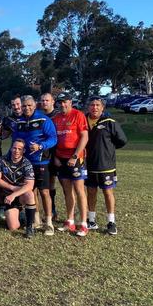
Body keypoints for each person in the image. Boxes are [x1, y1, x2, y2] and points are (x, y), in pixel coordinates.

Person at [13, 95, 58, 235]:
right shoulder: (19, 121)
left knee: (45, 192)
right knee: (31, 192)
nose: (27, 108)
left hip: (41, 162)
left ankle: (49, 222)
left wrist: (40, 146)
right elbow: (15, 140)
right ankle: (36, 219)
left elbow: (53, 139)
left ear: (35, 105)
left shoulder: (44, 119)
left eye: (29, 105)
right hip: (26, 164)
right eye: (24, 106)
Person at [85, 97, 127, 235]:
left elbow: (122, 140)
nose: (94, 107)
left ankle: (111, 222)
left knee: (107, 192)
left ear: (102, 108)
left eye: (97, 105)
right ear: (88, 107)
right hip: (88, 165)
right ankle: (91, 220)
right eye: (92, 105)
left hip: (106, 166)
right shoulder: (83, 120)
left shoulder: (110, 123)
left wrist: (107, 150)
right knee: (91, 192)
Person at [53, 93, 89, 237]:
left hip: (75, 158)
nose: (63, 105)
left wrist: (75, 156)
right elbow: (53, 139)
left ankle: (84, 223)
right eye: (60, 102)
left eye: (65, 102)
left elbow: (84, 137)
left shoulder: (78, 115)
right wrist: (55, 156)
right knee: (67, 191)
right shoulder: (56, 118)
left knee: (80, 190)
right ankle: (70, 221)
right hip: (61, 159)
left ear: (70, 102)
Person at [0, 139, 37, 237]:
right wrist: (12, 188)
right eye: (14, 148)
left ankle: (30, 227)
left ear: (23, 151)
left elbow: (30, 185)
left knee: (29, 194)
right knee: (13, 227)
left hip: (18, 195)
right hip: (7, 197)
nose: (16, 151)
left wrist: (14, 194)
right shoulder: (2, 160)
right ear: (11, 148)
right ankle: (21, 215)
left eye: (19, 149)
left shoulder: (26, 163)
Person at [40, 92, 60, 221]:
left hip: (59, 155)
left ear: (53, 101)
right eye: (42, 101)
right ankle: (51, 210)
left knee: (64, 184)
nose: (44, 103)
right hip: (44, 155)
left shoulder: (58, 115)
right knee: (47, 184)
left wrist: (58, 155)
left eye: (47, 100)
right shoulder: (39, 116)